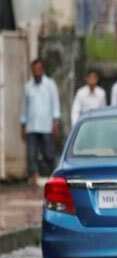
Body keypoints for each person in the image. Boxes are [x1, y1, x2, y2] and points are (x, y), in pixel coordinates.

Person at [20, 58, 60, 186]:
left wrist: (55, 122)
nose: (36, 71)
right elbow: (24, 106)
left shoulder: (50, 84)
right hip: (32, 126)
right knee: (31, 153)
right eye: (34, 69)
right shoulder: (28, 86)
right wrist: (23, 124)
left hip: (46, 125)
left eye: (39, 69)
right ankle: (34, 177)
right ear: (32, 70)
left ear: (42, 70)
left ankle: (53, 176)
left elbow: (55, 104)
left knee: (48, 153)